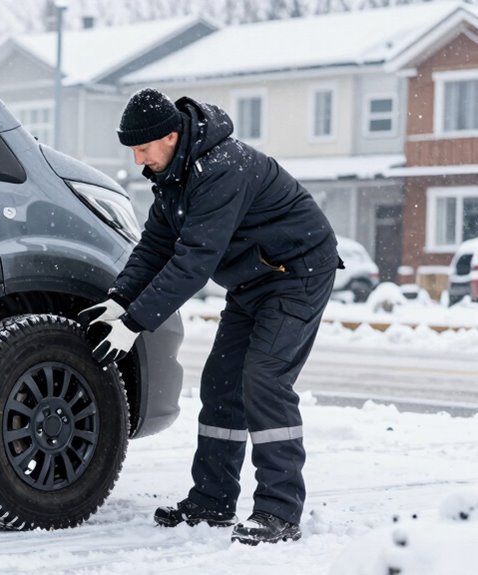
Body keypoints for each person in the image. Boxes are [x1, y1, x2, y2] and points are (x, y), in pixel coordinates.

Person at [79, 88, 341, 545]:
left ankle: (279, 512)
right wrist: (119, 299)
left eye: (144, 148)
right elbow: (156, 247)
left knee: (264, 380)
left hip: (298, 273)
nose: (139, 159)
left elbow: (194, 262)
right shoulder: (174, 176)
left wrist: (136, 322)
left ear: (172, 136)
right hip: (252, 280)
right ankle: (213, 500)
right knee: (221, 382)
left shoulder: (221, 168)